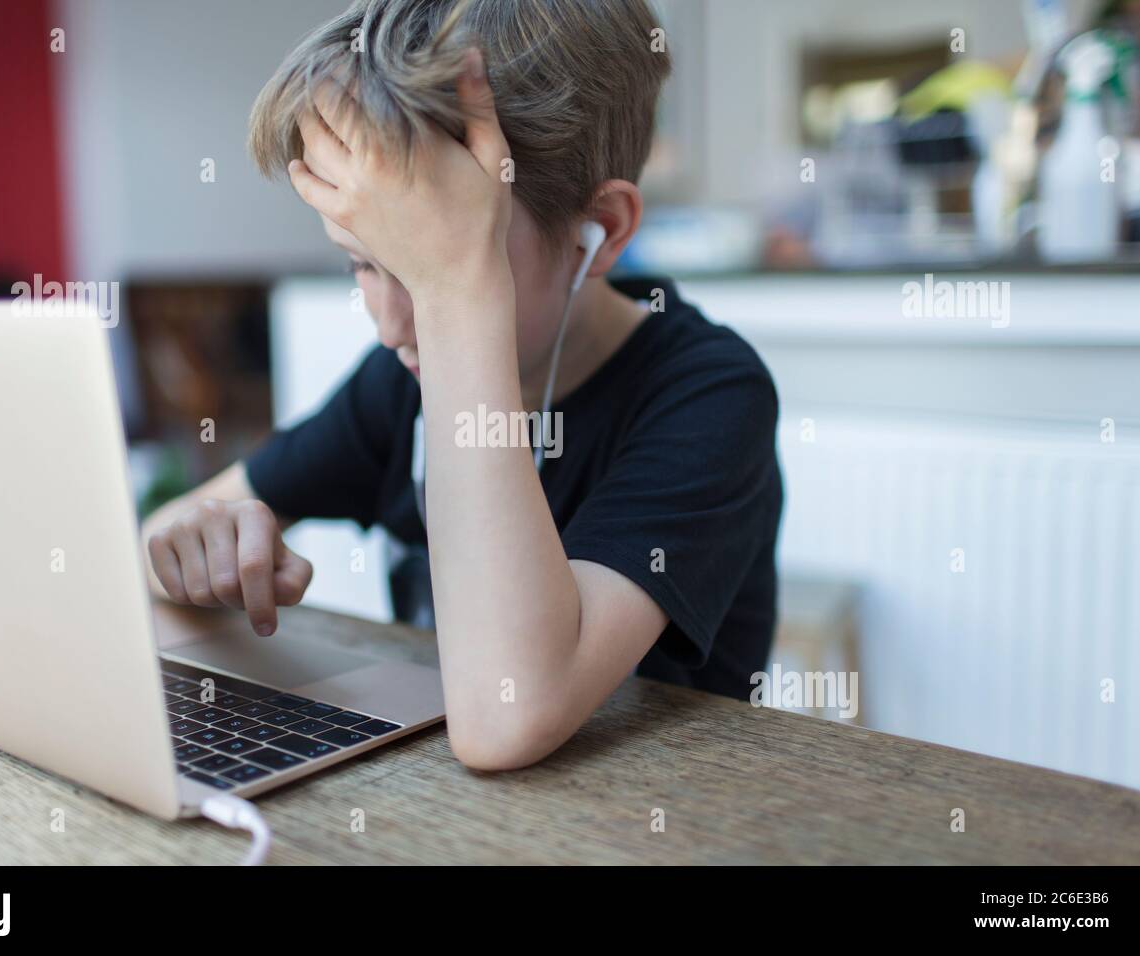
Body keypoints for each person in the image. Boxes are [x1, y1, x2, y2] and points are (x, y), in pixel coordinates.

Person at [142, 0, 782, 771]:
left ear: (601, 231)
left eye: (432, 264)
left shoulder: (710, 396)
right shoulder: (397, 380)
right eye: (363, 263)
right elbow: (167, 531)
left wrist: (460, 294)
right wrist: (194, 542)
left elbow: (505, 720)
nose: (388, 323)